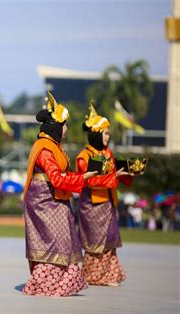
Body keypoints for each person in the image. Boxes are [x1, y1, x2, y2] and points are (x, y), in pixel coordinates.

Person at [22, 92, 97, 297]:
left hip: (55, 199)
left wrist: (82, 177)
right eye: (64, 125)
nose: (66, 129)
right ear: (55, 126)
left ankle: (59, 283)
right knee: (53, 240)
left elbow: (61, 176)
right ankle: (47, 284)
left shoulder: (53, 146)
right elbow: (56, 179)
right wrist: (82, 179)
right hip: (44, 201)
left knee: (62, 238)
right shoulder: (45, 149)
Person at [76, 103, 131, 286]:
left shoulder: (108, 154)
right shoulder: (84, 156)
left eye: (108, 133)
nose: (108, 137)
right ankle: (92, 276)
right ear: (96, 133)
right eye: (105, 133)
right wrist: (113, 176)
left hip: (108, 203)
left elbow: (114, 177)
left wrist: (128, 172)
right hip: (92, 205)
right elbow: (90, 181)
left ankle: (109, 275)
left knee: (109, 241)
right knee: (94, 243)